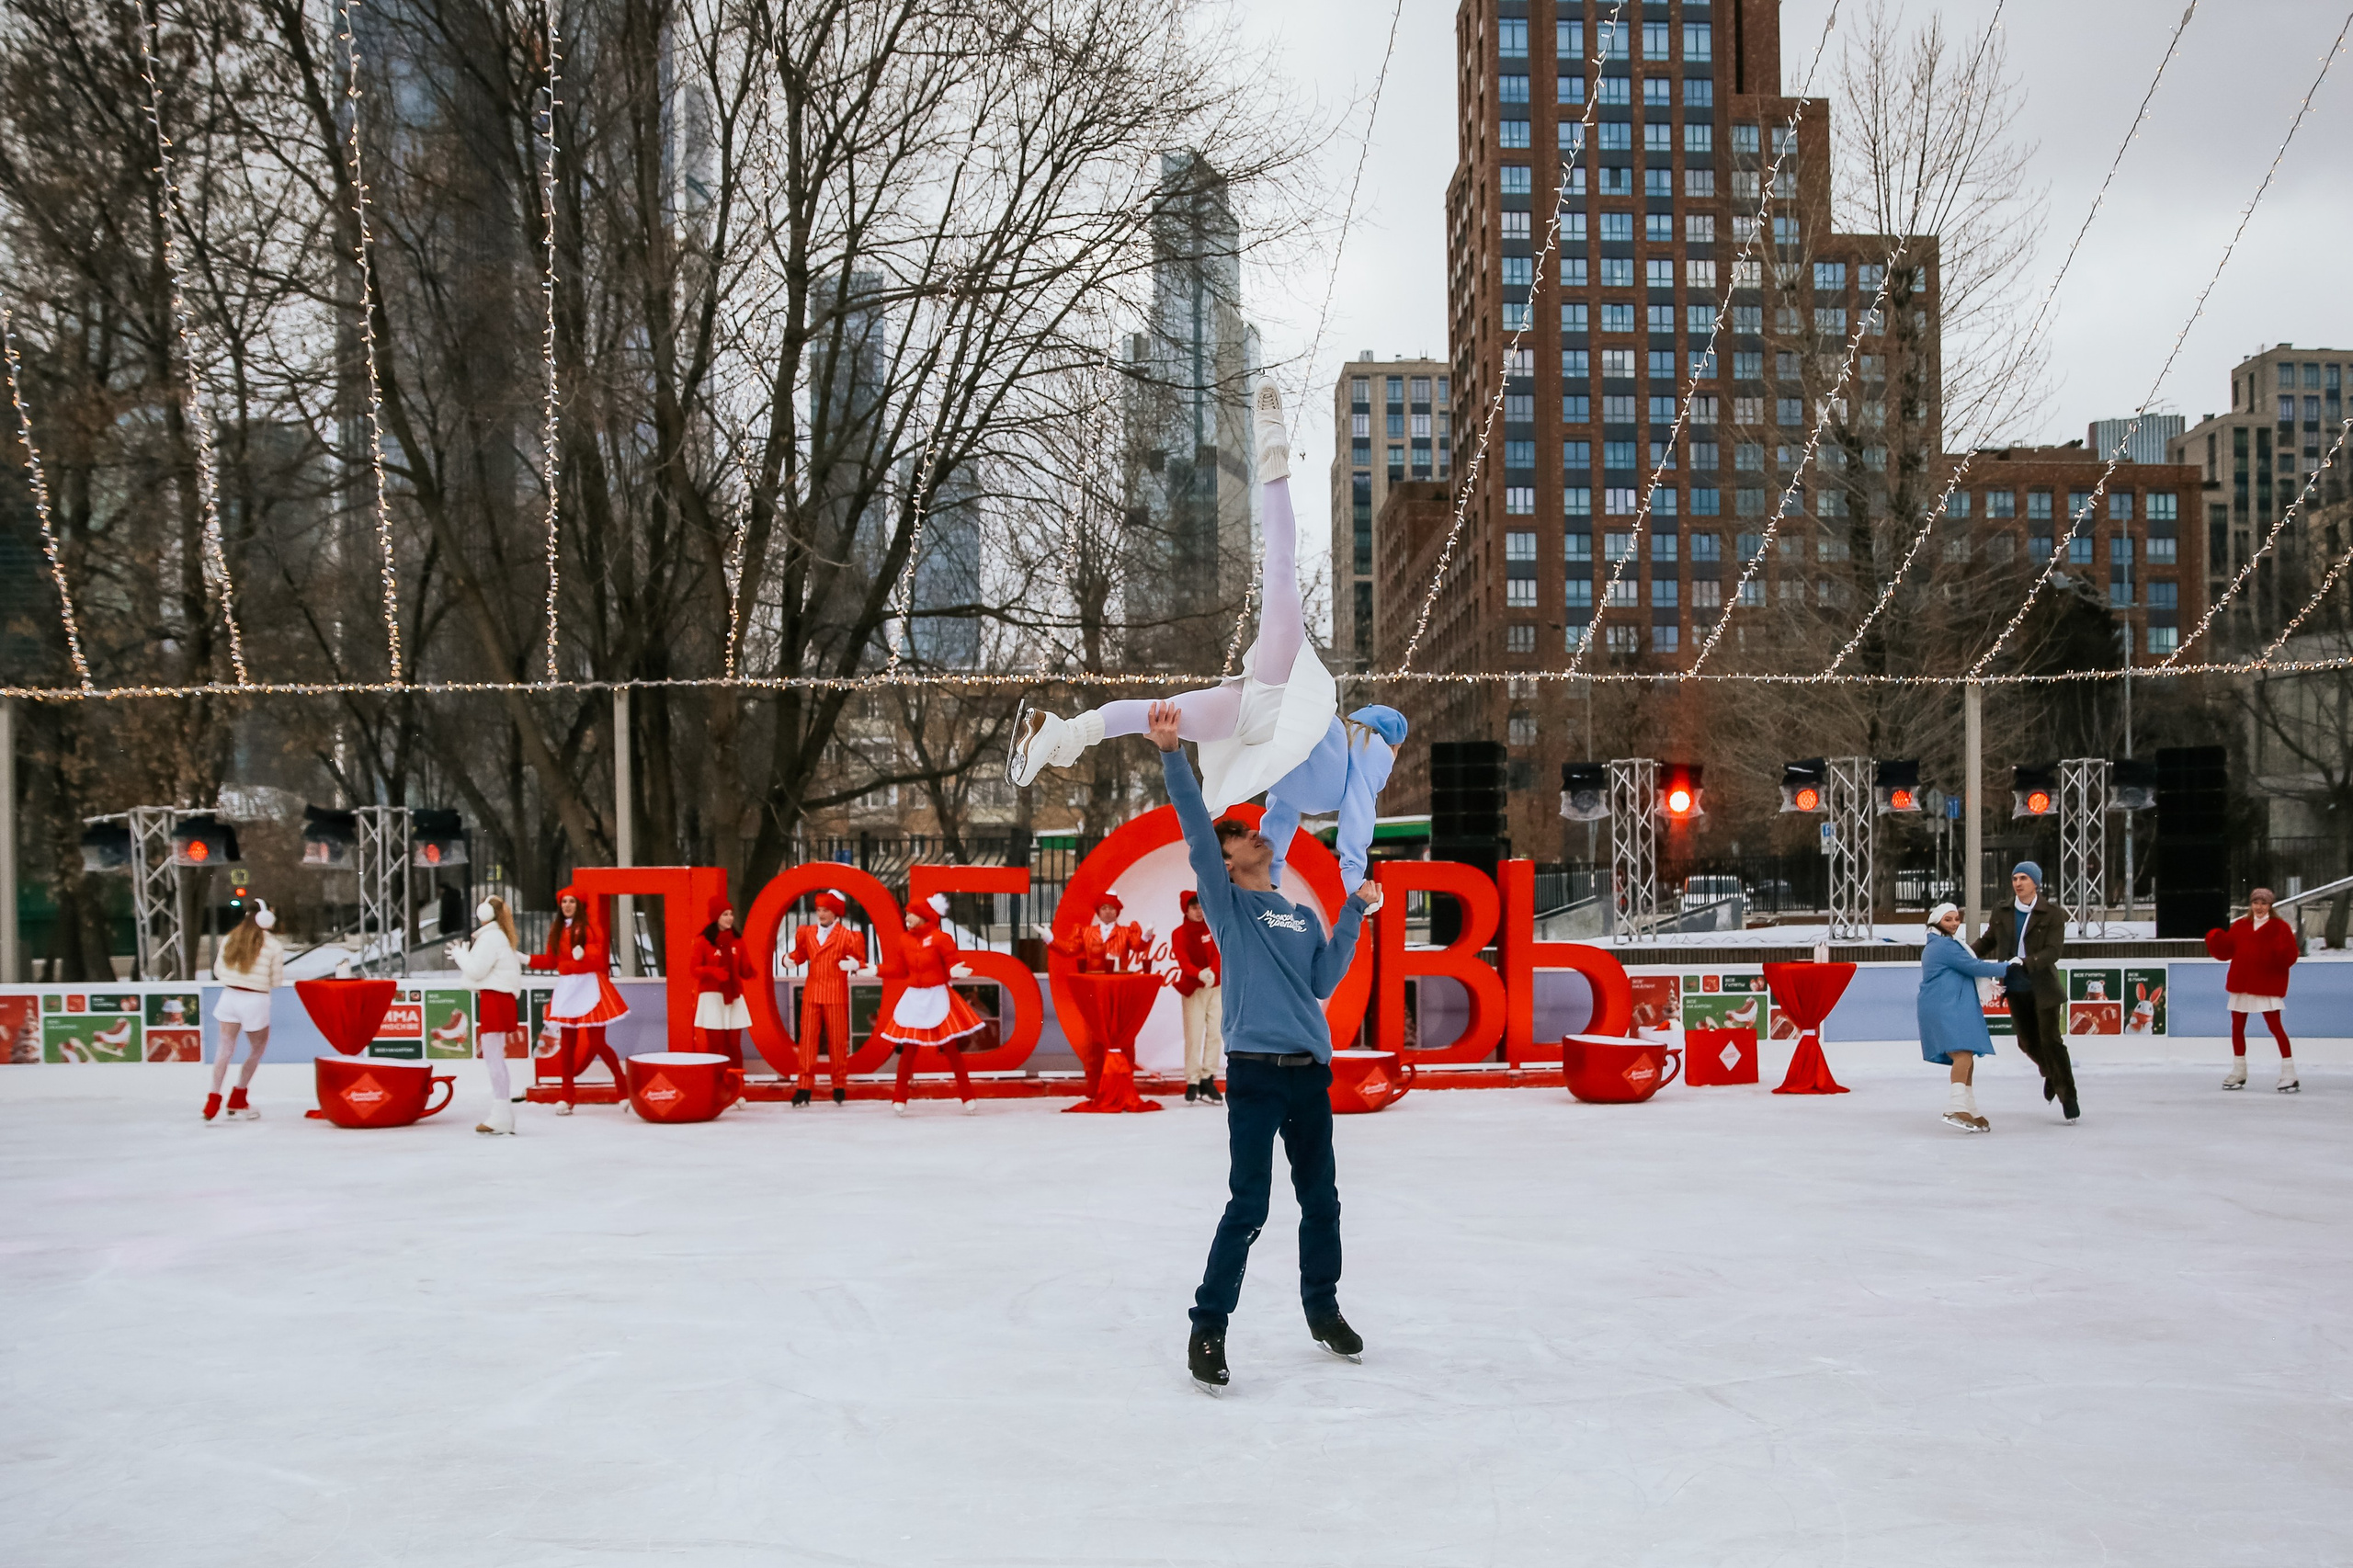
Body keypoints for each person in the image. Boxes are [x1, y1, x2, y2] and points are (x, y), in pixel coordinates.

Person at [1151, 699, 1382, 1393]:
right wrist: (1171, 754)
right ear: (1227, 860)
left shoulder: (1301, 912)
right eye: (1247, 835)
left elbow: (1322, 981)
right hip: (1254, 1075)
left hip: (1309, 1075)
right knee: (1248, 1205)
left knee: (1323, 1200)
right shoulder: (1228, 904)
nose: (1262, 835)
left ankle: (1323, 1309)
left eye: (1257, 832)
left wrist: (1352, 915)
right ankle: (1208, 1326)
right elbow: (1197, 831)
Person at [1007, 380, 1335, 819]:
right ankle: (1271, 441)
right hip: (1280, 686)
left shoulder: (1339, 780)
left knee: (1158, 714)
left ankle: (1060, 732)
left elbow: (1286, 818)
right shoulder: (1361, 760)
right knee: (1280, 570)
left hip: (1245, 721)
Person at [1971, 861, 2078, 1122]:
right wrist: (1965, 955)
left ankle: (2068, 1097)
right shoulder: (2003, 910)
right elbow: (1989, 940)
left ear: (2035, 883)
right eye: (2015, 878)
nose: (2018, 883)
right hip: (2016, 988)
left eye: (2024, 878)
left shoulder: (2051, 913)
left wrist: (2026, 961)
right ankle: (2051, 1074)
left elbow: (2054, 951)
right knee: (2027, 1042)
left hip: (2044, 988)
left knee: (2051, 1041)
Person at [883, 893, 983, 1115]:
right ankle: (899, 1097)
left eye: (910, 913)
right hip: (915, 998)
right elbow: (899, 970)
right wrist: (872, 970)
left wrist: (954, 971)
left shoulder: (941, 938)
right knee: (908, 1049)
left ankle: (967, 1095)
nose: (906, 917)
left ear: (922, 916)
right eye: (906, 913)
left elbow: (952, 962)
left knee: (951, 1049)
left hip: (937, 996)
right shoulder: (904, 940)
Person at [1917, 902, 2009, 1133]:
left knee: (1966, 1057)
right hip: (1944, 1006)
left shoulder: (1946, 944)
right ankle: (1956, 1107)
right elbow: (1974, 966)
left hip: (1950, 1004)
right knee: (1962, 1056)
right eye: (1948, 919)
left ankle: (1969, 1108)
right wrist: (2011, 967)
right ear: (1936, 921)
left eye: (1956, 919)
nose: (1954, 923)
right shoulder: (1943, 946)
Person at [538, 885, 628, 1115]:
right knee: (567, 1044)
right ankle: (566, 1096)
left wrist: (583, 956)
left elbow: (598, 957)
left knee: (597, 1043)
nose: (567, 906)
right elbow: (550, 960)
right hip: (568, 989)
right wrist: (524, 958)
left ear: (580, 905)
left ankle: (623, 1087)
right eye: (564, 901)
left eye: (572, 902)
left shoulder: (589, 927)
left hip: (589, 988)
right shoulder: (557, 929)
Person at [2207, 888, 2300, 1093]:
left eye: (2264, 903)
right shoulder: (2240, 926)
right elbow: (2227, 951)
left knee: (2275, 1027)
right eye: (2256, 902)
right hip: (2241, 984)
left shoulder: (2279, 927)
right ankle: (2239, 1070)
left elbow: (2290, 956)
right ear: (2251, 904)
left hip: (2265, 985)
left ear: (2270, 905)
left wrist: (2282, 953)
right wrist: (2215, 940)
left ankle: (2289, 1073)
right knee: (2237, 1028)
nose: (2259, 907)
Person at [449, 895, 525, 1135]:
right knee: (494, 1058)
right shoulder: (499, 936)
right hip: (498, 999)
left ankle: (501, 1113)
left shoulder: (491, 938)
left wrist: (461, 955)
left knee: (493, 1059)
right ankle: (501, 1113)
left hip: (495, 999)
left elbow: (476, 969)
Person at [206, 897, 286, 1121]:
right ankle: (238, 1096)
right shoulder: (273, 945)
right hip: (255, 1000)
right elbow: (276, 981)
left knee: (224, 1049)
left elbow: (219, 970)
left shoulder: (231, 937)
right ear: (266, 918)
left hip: (229, 997)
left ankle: (213, 1100)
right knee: (257, 1049)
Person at [788, 891, 866, 1107]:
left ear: (836, 912)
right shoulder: (807, 932)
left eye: (826, 910)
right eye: (819, 910)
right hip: (812, 992)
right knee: (807, 1042)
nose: (821, 914)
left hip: (835, 993)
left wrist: (855, 965)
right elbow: (800, 955)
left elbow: (861, 961)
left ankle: (839, 1084)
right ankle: (804, 1086)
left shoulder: (849, 936)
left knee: (837, 1041)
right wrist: (790, 960)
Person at [691, 895, 758, 1068]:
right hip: (712, 997)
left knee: (734, 1045)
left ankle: (736, 1082)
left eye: (731, 914)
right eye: (725, 914)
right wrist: (713, 972)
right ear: (716, 917)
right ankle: (714, 1081)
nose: (730, 918)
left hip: (734, 996)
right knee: (715, 1045)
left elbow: (744, 968)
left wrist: (750, 971)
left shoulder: (738, 941)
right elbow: (694, 969)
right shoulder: (703, 942)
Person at [1172, 890, 1223, 1106]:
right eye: (1194, 907)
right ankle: (1192, 1080)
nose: (1199, 911)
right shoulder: (1179, 933)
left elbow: (1218, 953)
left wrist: (1212, 971)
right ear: (1186, 909)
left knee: (1215, 1033)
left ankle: (1207, 1078)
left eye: (1201, 906)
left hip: (1216, 987)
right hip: (1193, 989)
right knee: (1194, 1035)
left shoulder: (1212, 927)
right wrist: (1199, 973)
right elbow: (1183, 961)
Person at [1052, 892, 1152, 973]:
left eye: (1111, 908)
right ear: (1098, 912)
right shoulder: (1085, 932)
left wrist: (1146, 936)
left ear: (1117, 912)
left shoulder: (1126, 932)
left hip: (1118, 980)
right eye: (1104, 908)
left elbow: (1138, 947)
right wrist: (1050, 940)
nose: (1107, 911)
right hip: (1093, 981)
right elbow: (1070, 949)